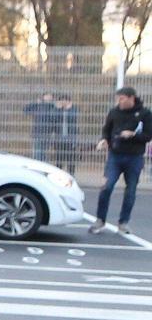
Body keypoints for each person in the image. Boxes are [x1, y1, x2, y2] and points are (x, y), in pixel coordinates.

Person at [91, 86, 150, 234]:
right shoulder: (114, 112)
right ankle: (100, 220)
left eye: (122, 99)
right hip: (115, 156)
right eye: (118, 99)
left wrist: (133, 135)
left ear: (131, 98)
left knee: (131, 190)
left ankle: (123, 222)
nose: (119, 102)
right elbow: (106, 130)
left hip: (134, 158)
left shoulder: (145, 113)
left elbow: (148, 135)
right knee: (106, 187)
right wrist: (104, 140)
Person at [23, 91, 57, 163]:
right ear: (43, 97)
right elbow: (25, 110)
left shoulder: (54, 107)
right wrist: (35, 103)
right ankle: (37, 165)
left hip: (48, 133)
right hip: (37, 132)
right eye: (47, 95)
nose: (48, 97)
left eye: (50, 96)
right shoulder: (38, 105)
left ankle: (43, 166)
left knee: (44, 152)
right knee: (37, 152)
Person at [54, 93, 81, 177]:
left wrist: (69, 109)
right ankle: (58, 175)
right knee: (59, 158)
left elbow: (73, 118)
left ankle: (71, 175)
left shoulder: (73, 109)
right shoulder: (57, 110)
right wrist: (58, 109)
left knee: (71, 158)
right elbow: (53, 119)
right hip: (59, 138)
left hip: (70, 138)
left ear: (69, 101)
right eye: (62, 100)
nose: (63, 102)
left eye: (65, 100)